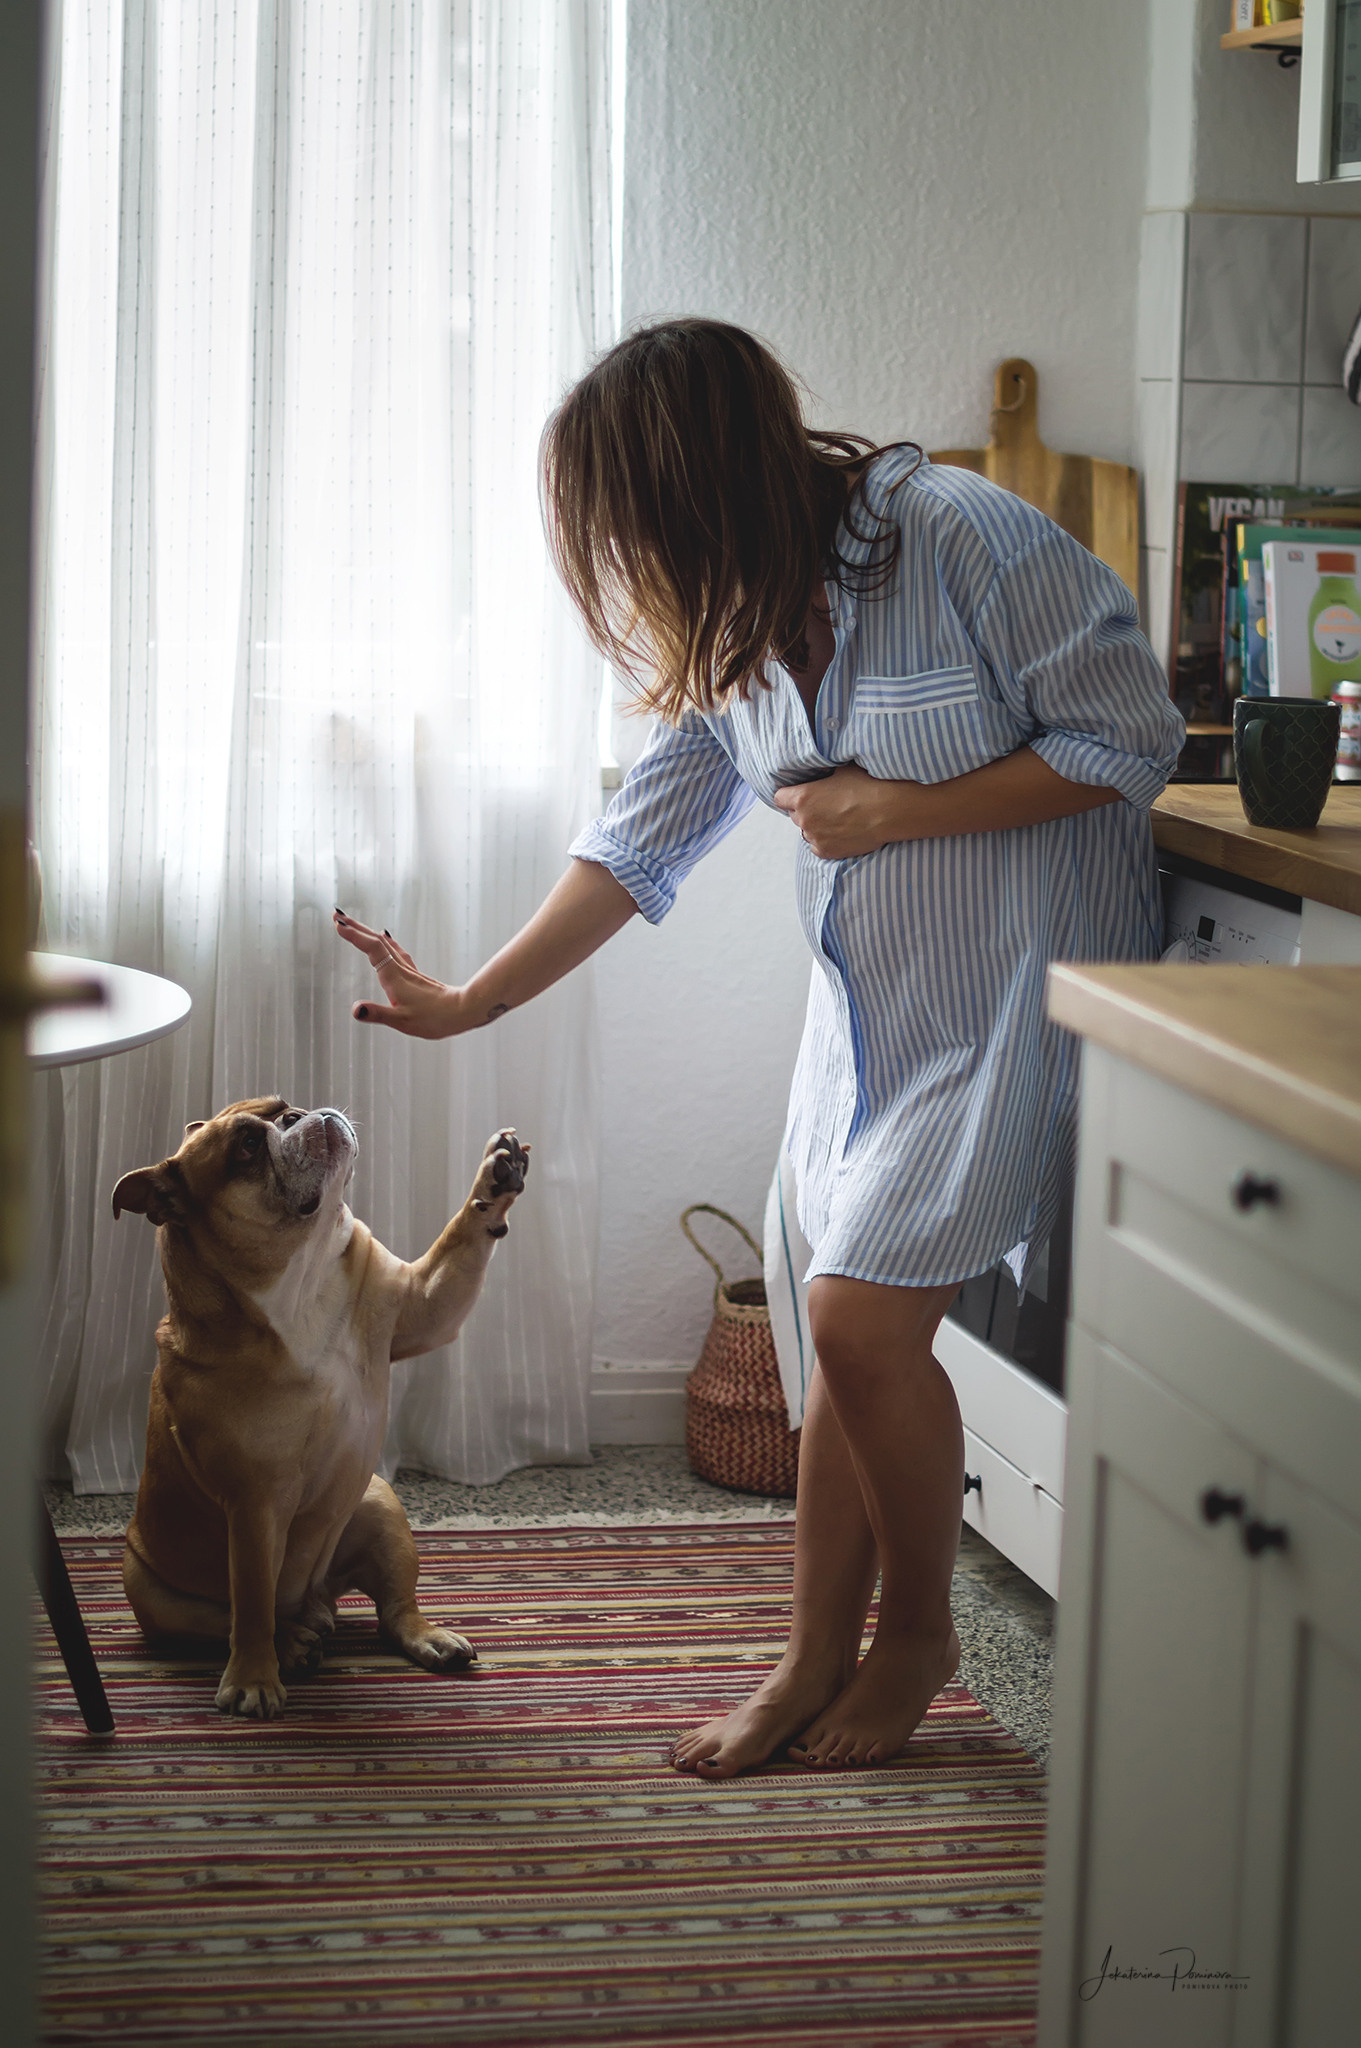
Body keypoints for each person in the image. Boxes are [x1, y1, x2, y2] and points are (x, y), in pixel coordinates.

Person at [334, 318, 1184, 1778]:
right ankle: (807, 1659)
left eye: (636, 529)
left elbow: (1130, 737)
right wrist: (471, 1001)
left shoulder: (965, 538)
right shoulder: (735, 628)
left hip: (1018, 995)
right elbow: (638, 840)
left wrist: (891, 811)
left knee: (858, 1325)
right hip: (866, 1021)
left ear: (709, 486)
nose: (630, 570)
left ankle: (917, 1635)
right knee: (826, 1349)